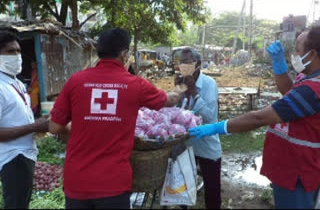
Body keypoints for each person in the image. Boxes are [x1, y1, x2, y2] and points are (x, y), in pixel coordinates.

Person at [48, 28, 182, 209]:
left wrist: (81, 125)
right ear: (125, 54)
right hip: (113, 183)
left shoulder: (76, 81)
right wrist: (180, 90)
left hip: (77, 180)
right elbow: (170, 100)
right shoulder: (136, 84)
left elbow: (55, 127)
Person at [188, 26, 320, 209]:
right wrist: (279, 65)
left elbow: (259, 118)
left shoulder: (313, 89)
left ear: (312, 54)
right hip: (290, 168)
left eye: (298, 51)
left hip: (298, 172)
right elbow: (289, 91)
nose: (295, 55)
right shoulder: (307, 79)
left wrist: (216, 127)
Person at [0, 31, 49, 209]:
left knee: (22, 203)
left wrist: (41, 123)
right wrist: (33, 126)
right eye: (11, 51)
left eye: (19, 51)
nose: (17, 56)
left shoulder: (16, 83)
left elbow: (18, 118)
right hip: (12, 157)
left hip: (25, 153)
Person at [175, 47, 222, 209]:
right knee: (184, 185)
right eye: (181, 62)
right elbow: (177, 114)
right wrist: (177, 93)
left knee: (212, 188)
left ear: (198, 64)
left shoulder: (209, 84)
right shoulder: (182, 83)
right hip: (187, 143)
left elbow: (210, 116)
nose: (183, 65)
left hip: (206, 143)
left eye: (187, 62)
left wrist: (194, 92)